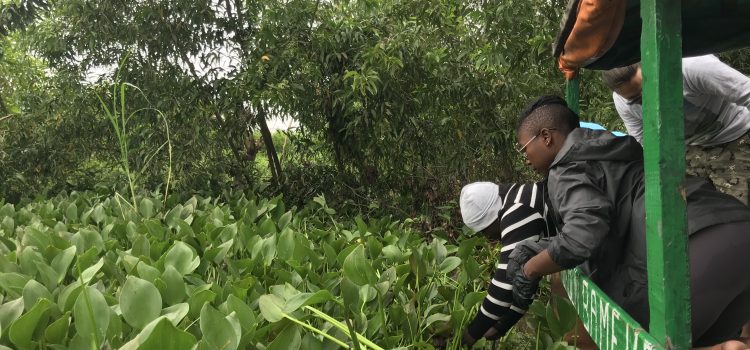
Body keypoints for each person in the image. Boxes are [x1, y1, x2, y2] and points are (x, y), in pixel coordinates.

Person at [511, 95, 750, 349]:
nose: (525, 158)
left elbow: (583, 236)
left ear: (546, 137)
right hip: (735, 224)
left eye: (524, 148)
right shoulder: (612, 150)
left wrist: (530, 270)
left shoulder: (566, 169)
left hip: (694, 244)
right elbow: (605, 217)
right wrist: (537, 249)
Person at [601, 55, 750, 204]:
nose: (648, 100)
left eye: (648, 89)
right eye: (636, 99)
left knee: (738, 208)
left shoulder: (693, 67)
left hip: (734, 135)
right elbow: (645, 141)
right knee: (693, 208)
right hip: (687, 148)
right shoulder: (622, 102)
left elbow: (746, 92)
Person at [458, 181, 551, 346]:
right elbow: (526, 278)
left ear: (491, 218)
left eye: (484, 230)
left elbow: (506, 284)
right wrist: (504, 323)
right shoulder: (518, 195)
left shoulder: (517, 209)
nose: (487, 237)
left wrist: (470, 335)